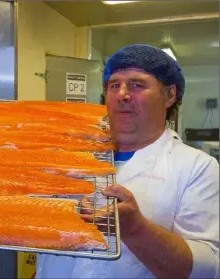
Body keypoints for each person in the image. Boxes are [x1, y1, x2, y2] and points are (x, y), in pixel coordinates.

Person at [36, 44, 219, 279]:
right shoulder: (66, 153)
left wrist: (136, 229)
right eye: (114, 85)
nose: (122, 94)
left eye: (137, 84)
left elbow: (208, 269)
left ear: (170, 95)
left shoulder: (197, 167)